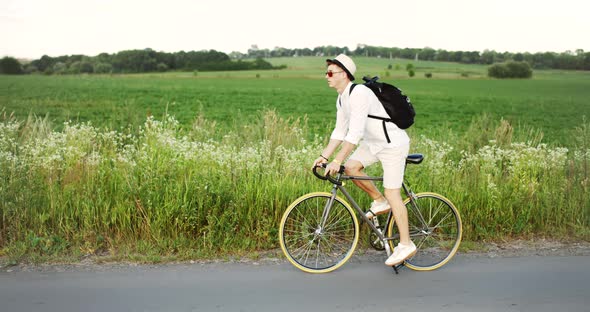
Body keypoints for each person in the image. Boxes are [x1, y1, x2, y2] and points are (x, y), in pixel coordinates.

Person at [312, 54, 415, 266]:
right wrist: (324, 156)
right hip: (373, 144)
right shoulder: (342, 97)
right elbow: (340, 132)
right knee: (351, 167)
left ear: (344, 74)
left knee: (393, 192)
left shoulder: (359, 93)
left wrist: (337, 160)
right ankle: (379, 201)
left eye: (330, 73)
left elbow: (355, 133)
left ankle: (406, 244)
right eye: (326, 73)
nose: (327, 76)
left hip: (392, 145)